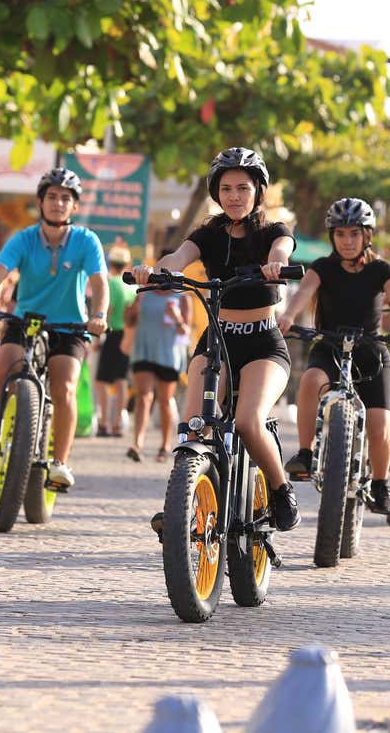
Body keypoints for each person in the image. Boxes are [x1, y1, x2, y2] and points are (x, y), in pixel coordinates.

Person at [129, 147, 300, 531]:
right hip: (217, 339)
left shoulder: (274, 232)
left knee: (247, 420)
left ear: (259, 191)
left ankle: (280, 488)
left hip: (263, 345)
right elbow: (178, 257)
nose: (235, 196)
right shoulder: (207, 234)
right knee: (194, 425)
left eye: (243, 187)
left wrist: (277, 264)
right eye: (226, 189)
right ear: (216, 193)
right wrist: (155, 271)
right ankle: (183, 503)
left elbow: (282, 248)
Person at [0, 167, 108, 489]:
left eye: (65, 198)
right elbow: (0, 269)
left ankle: (60, 462)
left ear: (75, 206)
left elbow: (100, 284)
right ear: (41, 202)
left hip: (70, 325)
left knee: (65, 385)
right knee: (2, 369)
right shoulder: (24, 239)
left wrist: (99, 313)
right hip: (26, 320)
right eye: (52, 197)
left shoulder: (87, 241)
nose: (58, 203)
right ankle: (12, 427)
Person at [277, 197, 390, 516]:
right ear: (332, 236)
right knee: (311, 379)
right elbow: (303, 293)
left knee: (380, 423)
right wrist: (287, 316)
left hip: (371, 352)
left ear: (367, 235)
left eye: (355, 233)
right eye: (340, 234)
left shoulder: (382, 268)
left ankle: (381, 484)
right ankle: (305, 453)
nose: (348, 240)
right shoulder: (323, 267)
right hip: (329, 345)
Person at [122, 248, 191, 463]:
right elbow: (129, 321)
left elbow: (185, 332)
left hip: (168, 353)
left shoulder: (182, 297)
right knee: (143, 395)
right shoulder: (145, 291)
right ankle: (138, 443)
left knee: (164, 400)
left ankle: (164, 445)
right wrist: (132, 310)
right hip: (144, 349)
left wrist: (177, 318)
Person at [95, 245, 134, 438]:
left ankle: (104, 422)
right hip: (128, 335)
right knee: (121, 381)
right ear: (126, 264)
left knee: (101, 381)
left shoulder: (111, 283)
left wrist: (96, 338)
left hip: (112, 333)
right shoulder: (132, 286)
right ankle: (118, 423)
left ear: (110, 263)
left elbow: (107, 310)